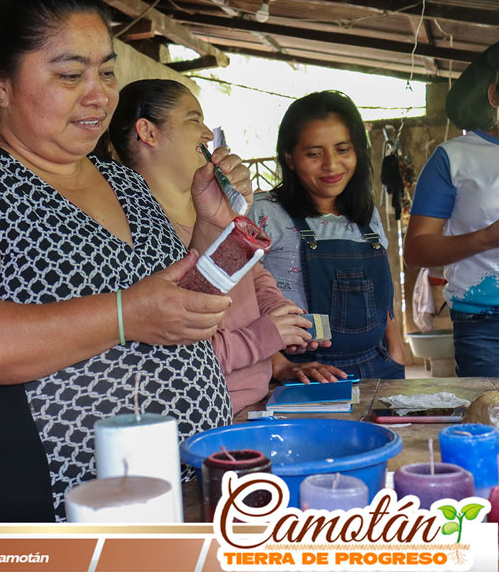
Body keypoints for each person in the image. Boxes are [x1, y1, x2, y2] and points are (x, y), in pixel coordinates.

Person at [0, 0, 234, 522]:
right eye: (70, 75)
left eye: (107, 72)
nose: (99, 95)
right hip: (46, 509)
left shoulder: (124, 182)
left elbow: (178, 307)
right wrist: (125, 315)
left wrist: (211, 231)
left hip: (171, 491)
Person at [108, 79, 343, 413]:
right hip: (206, 414)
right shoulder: (140, 231)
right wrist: (266, 335)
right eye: (194, 120)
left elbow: (254, 277)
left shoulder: (215, 207)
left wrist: (284, 319)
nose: (208, 134)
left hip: (255, 403)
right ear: (148, 132)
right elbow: (174, 355)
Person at [249, 90, 405, 380]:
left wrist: (396, 351)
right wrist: (279, 366)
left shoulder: (367, 214)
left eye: (343, 150)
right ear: (289, 158)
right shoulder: (263, 213)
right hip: (303, 372)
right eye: (314, 154)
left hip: (378, 365)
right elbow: (237, 301)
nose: (331, 164)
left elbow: (382, 299)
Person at [405, 41, 499, 377]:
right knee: (490, 409)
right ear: (494, 95)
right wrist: (488, 237)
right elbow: (415, 251)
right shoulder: (454, 157)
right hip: (483, 324)